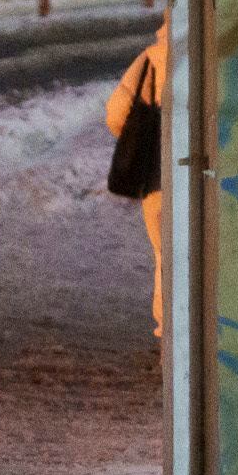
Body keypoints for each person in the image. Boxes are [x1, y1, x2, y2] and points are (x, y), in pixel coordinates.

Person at [101, 23, 170, 339]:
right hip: (208, 181)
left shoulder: (153, 59)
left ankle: (168, 338)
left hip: (157, 183)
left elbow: (116, 113)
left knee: (165, 260)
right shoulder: (218, 55)